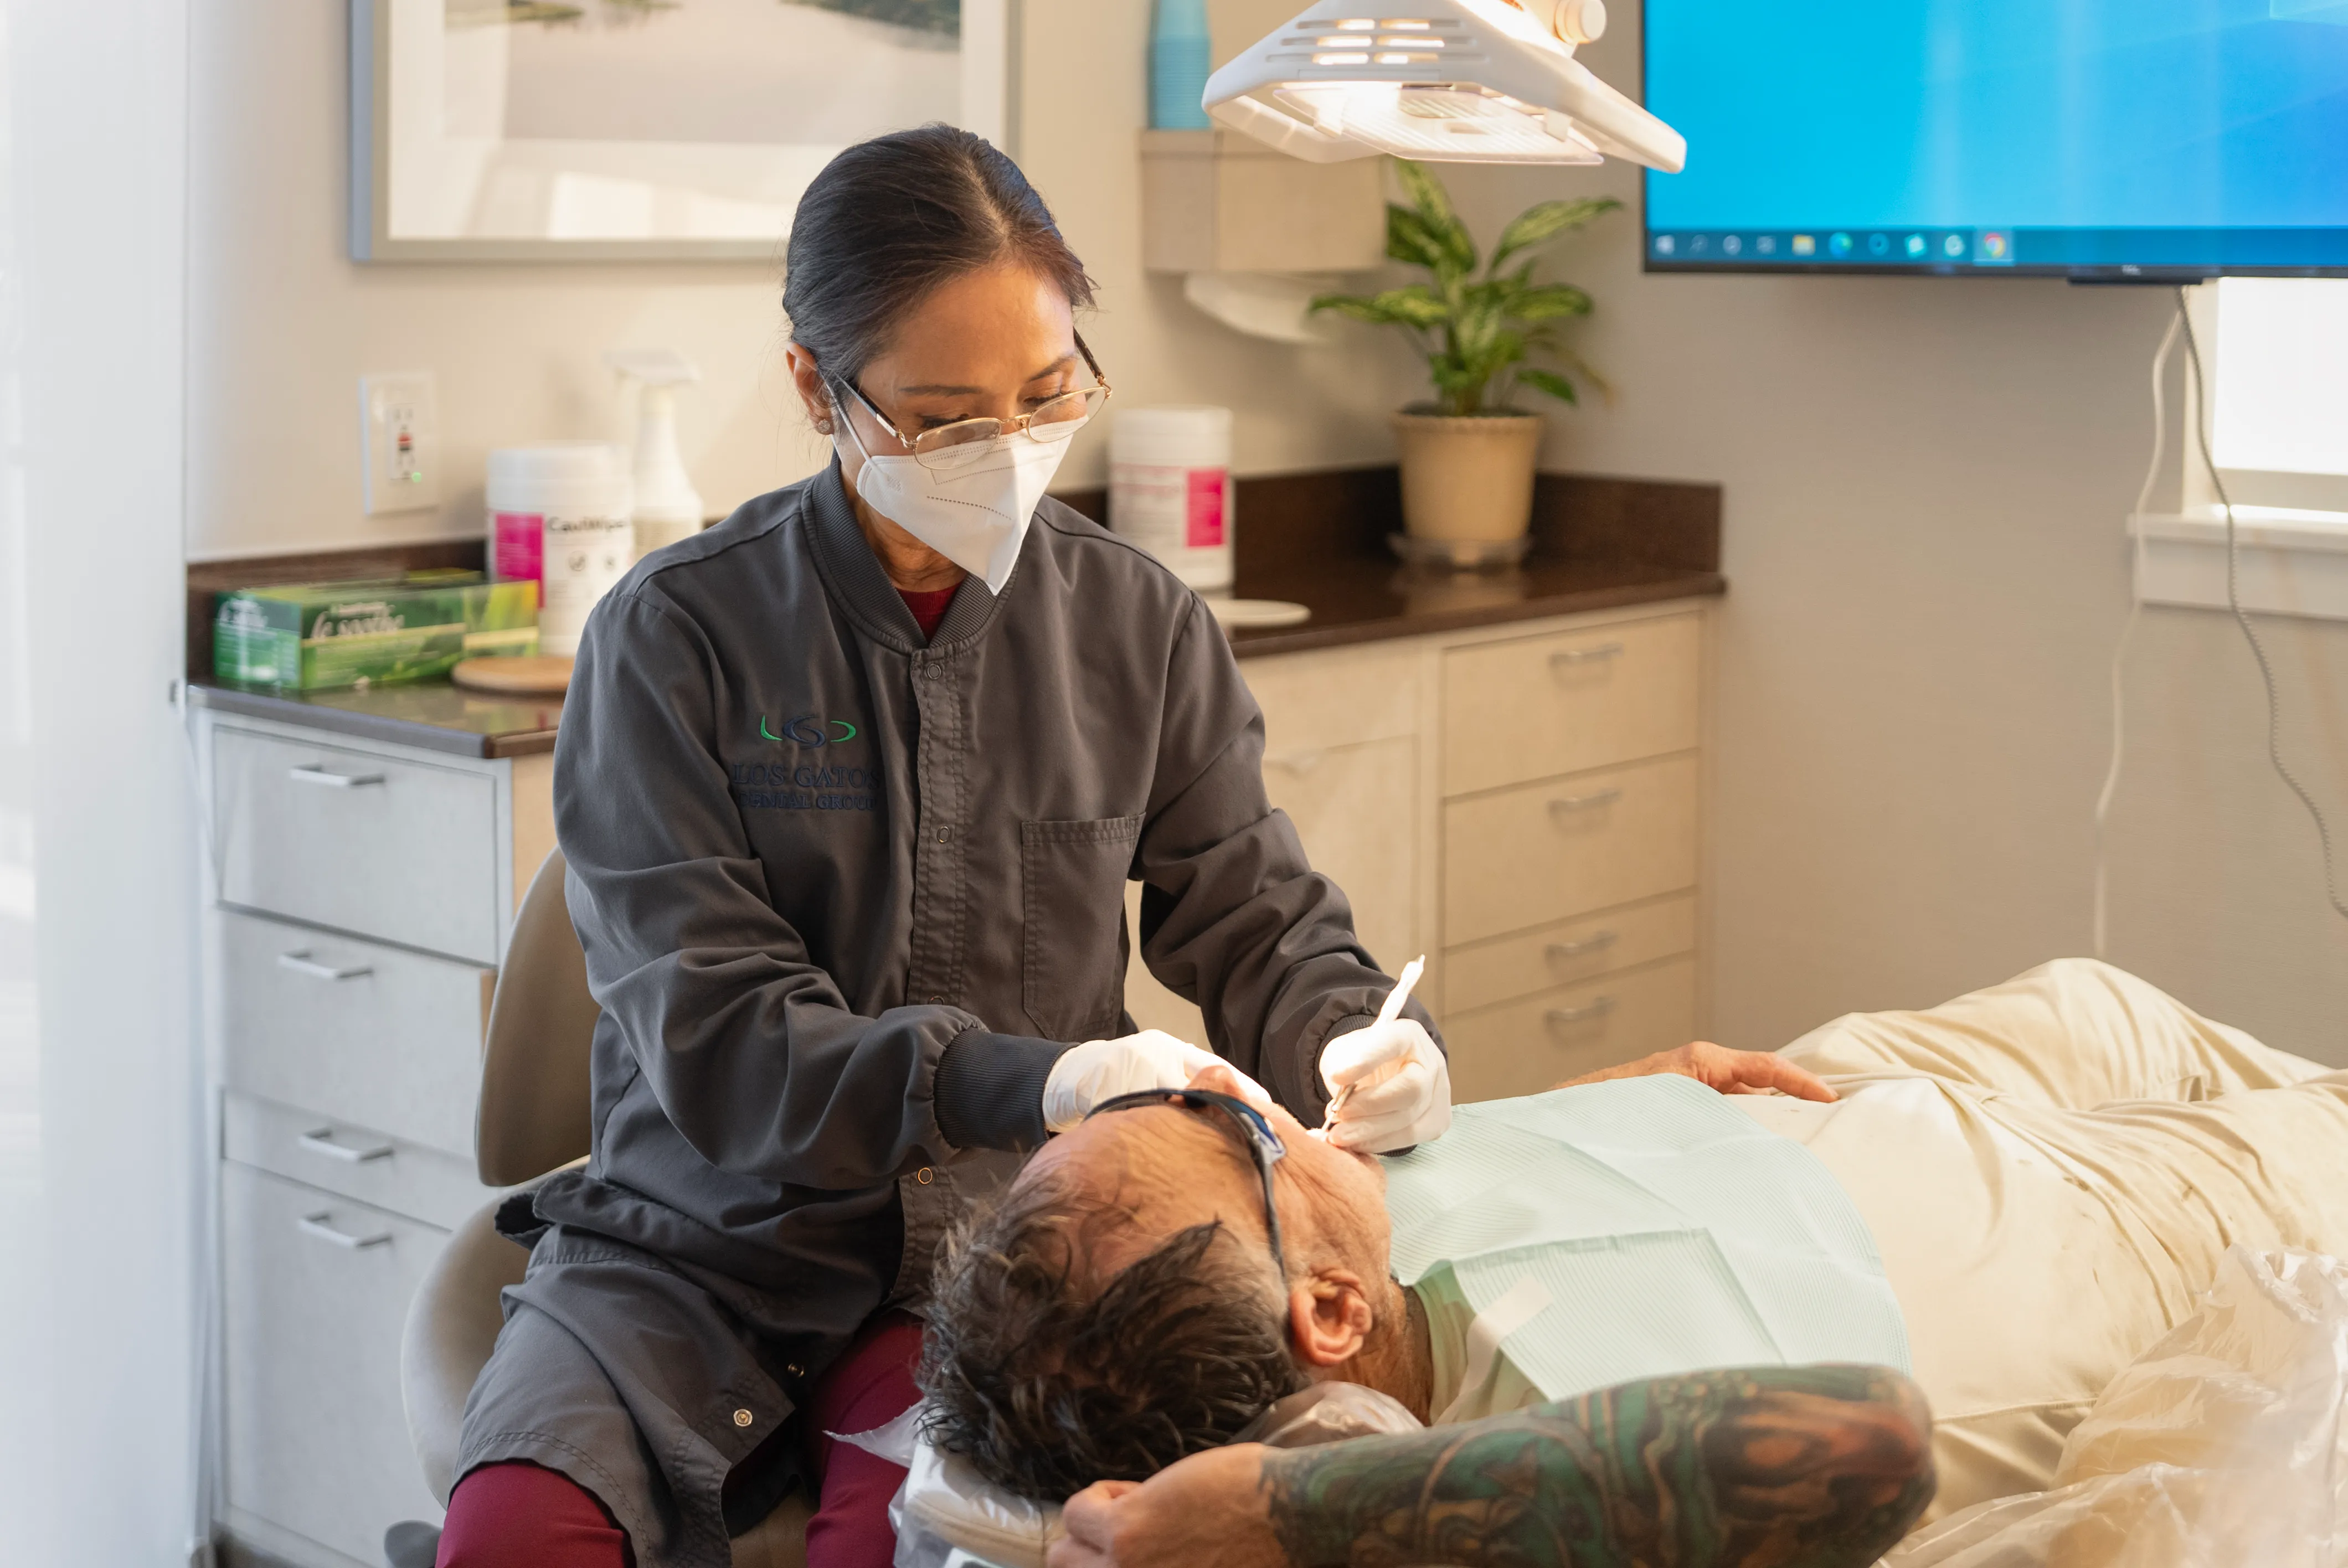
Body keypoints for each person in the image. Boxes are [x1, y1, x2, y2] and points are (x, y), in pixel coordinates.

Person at [434, 126, 1448, 1568]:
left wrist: (1358, 1037)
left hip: (1000, 1262)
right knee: (511, 1544)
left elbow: (1258, 917)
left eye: (1049, 395)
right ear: (816, 388)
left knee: (931, 1547)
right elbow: (720, 1042)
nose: (1011, 450)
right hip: (693, 1246)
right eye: (946, 417)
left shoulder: (1138, 627)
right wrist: (1032, 1079)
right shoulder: (675, 640)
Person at [920, 960, 2348, 1565]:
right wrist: (1290, 1511)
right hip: (2046, 1226)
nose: (1249, 1095)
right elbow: (1861, 1441)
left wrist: (1620, 1089)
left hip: (1780, 1103)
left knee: (2105, 1002)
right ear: (1333, 1314)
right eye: (1239, 1132)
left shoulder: (1259, 1288)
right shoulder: (1500, 1486)